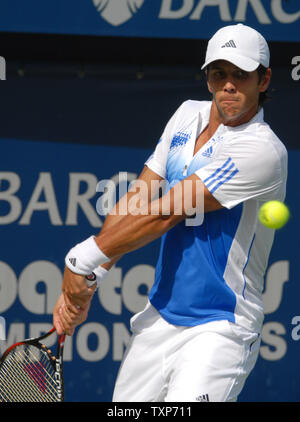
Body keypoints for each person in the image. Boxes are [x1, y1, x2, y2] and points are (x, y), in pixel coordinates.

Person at [53, 23, 288, 402]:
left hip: (219, 329)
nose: (229, 85)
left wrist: (83, 259)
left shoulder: (262, 151)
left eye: (241, 75)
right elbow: (138, 199)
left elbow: (167, 212)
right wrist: (92, 277)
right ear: (208, 79)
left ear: (264, 80)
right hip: (156, 321)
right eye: (219, 73)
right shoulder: (186, 115)